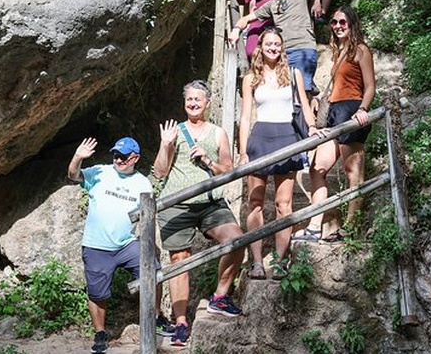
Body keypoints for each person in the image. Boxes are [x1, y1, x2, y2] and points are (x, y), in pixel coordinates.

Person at [153, 80, 245, 348]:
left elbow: (228, 170)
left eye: (198, 99)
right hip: (177, 204)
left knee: (236, 239)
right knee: (179, 260)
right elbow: (160, 172)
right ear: (185, 103)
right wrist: (165, 144)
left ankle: (219, 296)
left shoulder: (218, 133)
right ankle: (180, 322)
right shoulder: (174, 131)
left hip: (210, 202)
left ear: (207, 103)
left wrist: (207, 160)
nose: (193, 104)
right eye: (189, 100)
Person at [238, 28, 317, 279]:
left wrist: (313, 127)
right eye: (269, 43)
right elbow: (246, 116)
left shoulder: (293, 73)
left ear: (282, 48)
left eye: (277, 44)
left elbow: (304, 105)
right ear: (260, 47)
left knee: (284, 204)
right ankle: (258, 262)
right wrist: (242, 152)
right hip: (260, 138)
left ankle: (281, 261)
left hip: (286, 137)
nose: (273, 47)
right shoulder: (251, 77)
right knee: (255, 202)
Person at [294, 6, 375, 243]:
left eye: (343, 22)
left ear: (352, 25)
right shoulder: (337, 52)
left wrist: (363, 109)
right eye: (334, 22)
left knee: (353, 172)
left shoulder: (360, 50)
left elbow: (370, 85)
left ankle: (351, 226)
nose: (338, 26)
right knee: (317, 169)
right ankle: (314, 225)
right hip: (334, 113)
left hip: (351, 110)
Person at [67, 136, 154, 354]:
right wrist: (78, 157)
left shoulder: (143, 183)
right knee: (97, 294)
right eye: (116, 155)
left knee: (154, 271)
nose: (118, 160)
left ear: (136, 158)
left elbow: (148, 216)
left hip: (126, 244)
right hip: (97, 245)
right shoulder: (100, 172)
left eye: (123, 156)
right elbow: (73, 175)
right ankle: (100, 333)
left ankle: (155, 318)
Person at [228, 0, 331, 95]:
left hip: (302, 50)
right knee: (286, 95)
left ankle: (310, 108)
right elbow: (247, 18)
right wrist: (235, 30)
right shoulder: (273, 4)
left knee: (301, 97)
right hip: (282, 55)